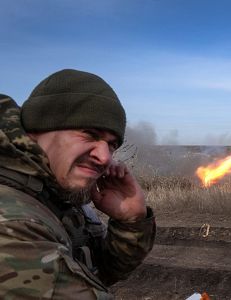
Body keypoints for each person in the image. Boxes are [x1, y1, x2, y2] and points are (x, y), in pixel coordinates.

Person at [0, 69, 156, 298]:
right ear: (36, 130)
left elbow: (96, 274)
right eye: (89, 134)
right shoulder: (13, 225)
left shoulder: (54, 196)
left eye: (112, 145)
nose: (105, 157)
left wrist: (130, 220)